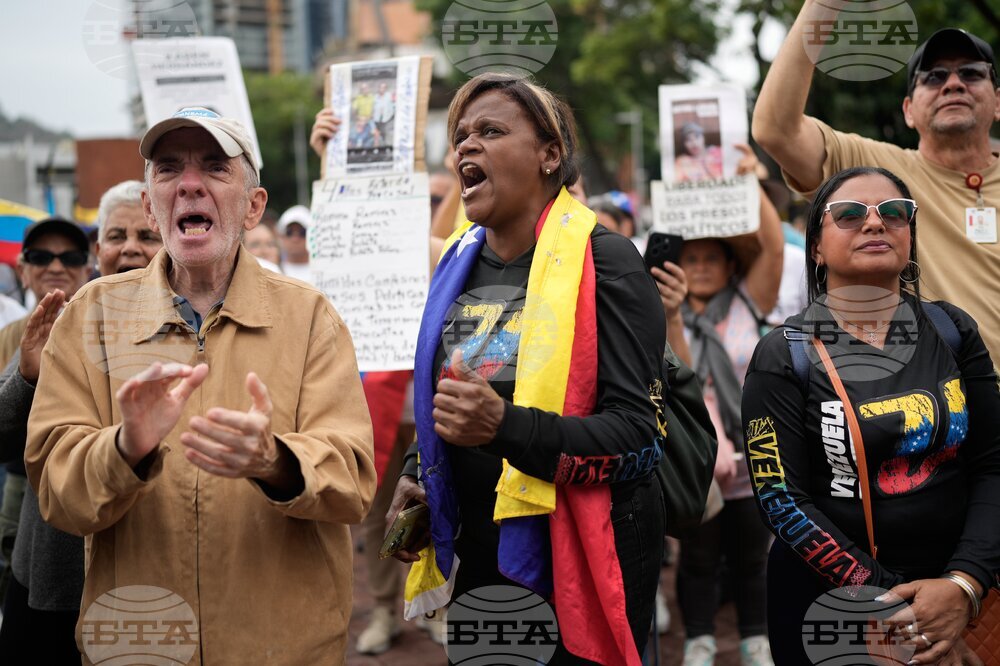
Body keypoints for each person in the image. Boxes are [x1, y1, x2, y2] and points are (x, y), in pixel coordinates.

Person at [25, 107, 376, 663]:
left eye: (215, 167)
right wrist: (124, 449)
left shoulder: (310, 318)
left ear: (254, 205)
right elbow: (57, 492)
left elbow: (353, 480)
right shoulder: (90, 317)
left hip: (282, 649)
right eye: (168, 169)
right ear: (149, 203)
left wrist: (276, 460)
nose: (190, 184)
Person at [387, 73, 666, 665]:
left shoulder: (606, 262)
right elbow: (446, 401)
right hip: (479, 555)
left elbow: (638, 439)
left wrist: (504, 427)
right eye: (460, 135)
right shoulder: (457, 263)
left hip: (580, 553)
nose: (466, 145)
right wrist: (420, 467)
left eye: (490, 131)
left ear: (550, 154)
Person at [742, 166, 1000, 665]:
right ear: (816, 246)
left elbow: (992, 462)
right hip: (832, 603)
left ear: (910, 234)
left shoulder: (953, 330)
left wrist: (963, 584)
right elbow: (781, 501)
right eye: (850, 214)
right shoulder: (784, 354)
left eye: (895, 213)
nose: (875, 223)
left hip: (959, 590)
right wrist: (897, 609)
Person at [753, 11, 1000, 362]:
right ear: (909, 111)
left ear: (999, 102)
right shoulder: (878, 172)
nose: (953, 84)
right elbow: (776, 130)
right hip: (936, 407)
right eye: (934, 77)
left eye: (972, 73)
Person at [653, 145, 783, 666]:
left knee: (754, 555)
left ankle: (755, 638)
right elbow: (679, 379)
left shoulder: (751, 301)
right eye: (691, 259)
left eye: (711, 258)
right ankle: (699, 639)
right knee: (698, 557)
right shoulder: (663, 313)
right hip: (697, 454)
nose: (701, 267)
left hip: (755, 452)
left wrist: (752, 181)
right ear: (677, 267)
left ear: (730, 263)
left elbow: (772, 249)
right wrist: (673, 314)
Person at [0, 216, 92, 660]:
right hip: (39, 534)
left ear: (89, 265)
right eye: (41, 256)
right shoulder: (16, 336)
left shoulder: (122, 319)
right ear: (23, 268)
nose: (56, 266)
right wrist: (26, 376)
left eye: (70, 257)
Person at [94, 180, 163, 275]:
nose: (130, 248)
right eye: (116, 237)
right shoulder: (84, 290)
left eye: (148, 238)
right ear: (98, 252)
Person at [277, 204, 312, 283]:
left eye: (302, 233)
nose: (295, 239)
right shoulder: (272, 270)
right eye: (289, 232)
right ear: (281, 236)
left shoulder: (323, 272)